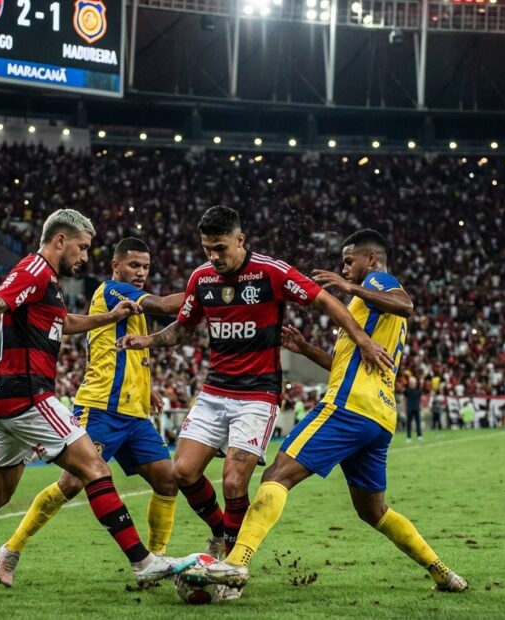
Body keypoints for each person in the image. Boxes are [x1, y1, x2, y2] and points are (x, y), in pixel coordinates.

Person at [0, 210, 193, 601]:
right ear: (60, 240)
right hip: (28, 395)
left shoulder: (48, 284)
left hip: (4, 400)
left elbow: (64, 322)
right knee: (94, 468)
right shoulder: (36, 270)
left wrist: (108, 317)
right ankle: (143, 562)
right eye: (82, 247)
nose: (85, 257)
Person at [182, 229, 467, 595]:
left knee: (277, 475)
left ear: (371, 260)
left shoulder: (378, 283)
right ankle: (443, 573)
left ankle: (236, 562)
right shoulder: (370, 314)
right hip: (379, 417)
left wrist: (351, 288)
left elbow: (405, 303)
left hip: (348, 408)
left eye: (350, 261)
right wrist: (305, 349)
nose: (344, 268)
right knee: (373, 512)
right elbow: (343, 364)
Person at [119, 208, 393, 566]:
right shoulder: (201, 279)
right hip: (215, 390)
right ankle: (221, 534)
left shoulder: (270, 272)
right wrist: (148, 341)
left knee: (233, 483)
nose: (213, 257)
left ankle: (233, 565)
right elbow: (182, 329)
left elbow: (325, 300)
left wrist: (361, 339)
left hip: (257, 395)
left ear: (240, 240)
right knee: (182, 472)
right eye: (207, 249)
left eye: (220, 248)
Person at [0, 237, 185, 587]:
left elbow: (123, 351)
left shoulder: (128, 301)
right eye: (134, 265)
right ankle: (11, 547)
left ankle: (155, 560)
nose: (141, 273)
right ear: (116, 266)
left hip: (134, 412)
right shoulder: (114, 291)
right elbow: (164, 304)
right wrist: (211, 291)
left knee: (167, 480)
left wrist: (147, 386)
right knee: (72, 483)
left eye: (145, 266)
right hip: (100, 408)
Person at [403, 377, 423, 442]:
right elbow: (404, 398)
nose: (412, 384)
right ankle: (408, 437)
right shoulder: (407, 390)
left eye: (413, 382)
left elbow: (420, 398)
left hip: (416, 408)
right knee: (408, 423)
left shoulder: (418, 390)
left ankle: (419, 436)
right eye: (411, 382)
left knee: (418, 423)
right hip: (409, 409)